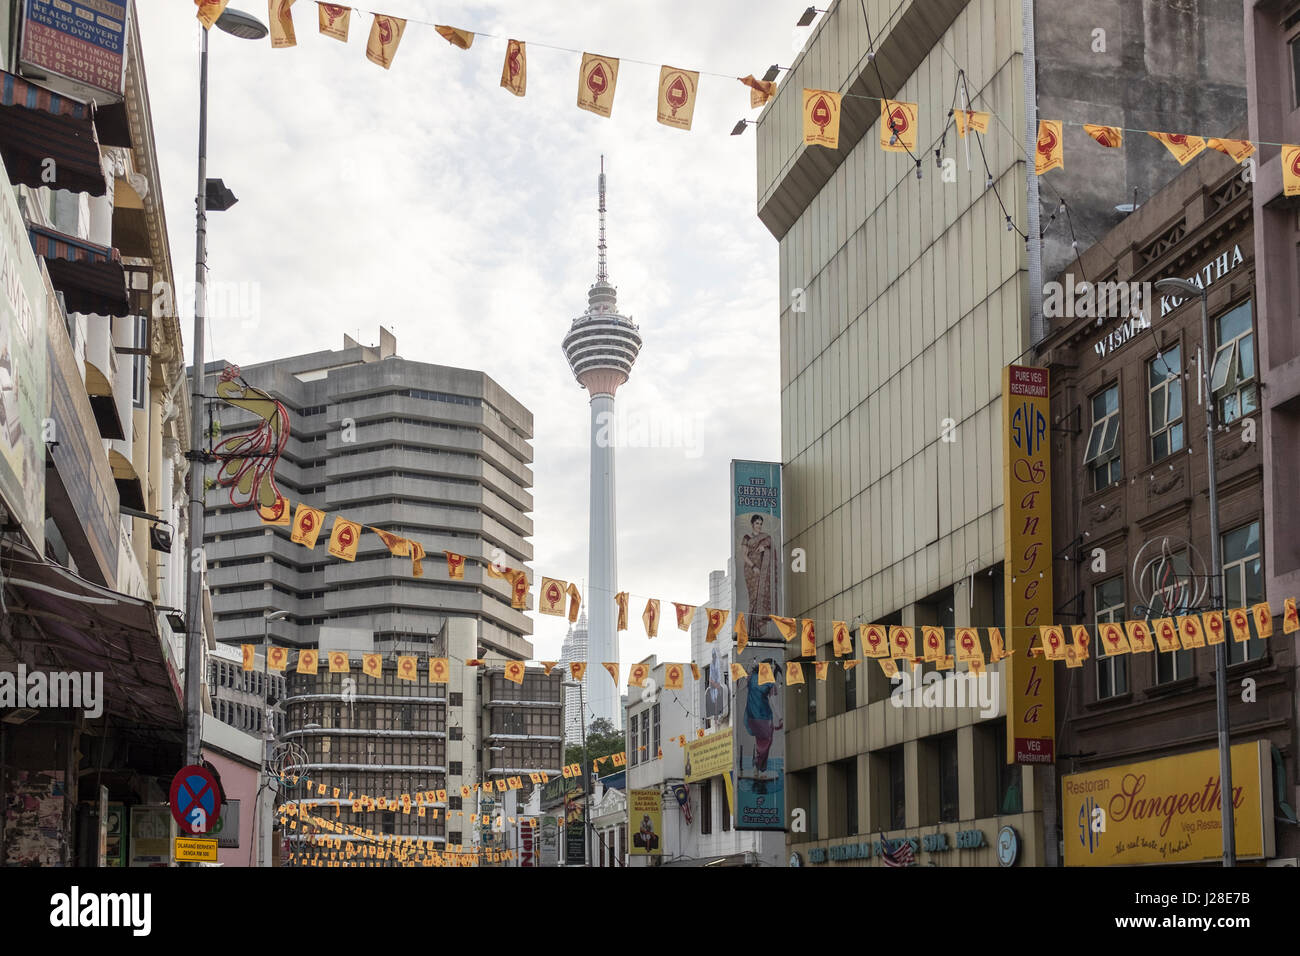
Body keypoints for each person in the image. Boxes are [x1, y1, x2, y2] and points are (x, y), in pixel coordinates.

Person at [744, 660, 782, 793]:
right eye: (770, 667)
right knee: (766, 741)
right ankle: (759, 767)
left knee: (762, 741)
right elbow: (774, 702)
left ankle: (758, 767)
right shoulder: (770, 683)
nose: (772, 670)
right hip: (763, 716)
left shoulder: (751, 678)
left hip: (751, 715)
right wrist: (779, 717)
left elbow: (745, 677)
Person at [742, 514, 775, 639]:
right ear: (752, 524)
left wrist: (764, 547)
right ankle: (752, 629)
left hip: (763, 571)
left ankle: (759, 629)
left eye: (760, 524)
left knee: (760, 596)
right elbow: (744, 556)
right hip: (751, 571)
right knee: (754, 598)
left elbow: (771, 547)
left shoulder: (765, 538)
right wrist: (753, 566)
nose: (759, 526)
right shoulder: (747, 537)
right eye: (757, 523)